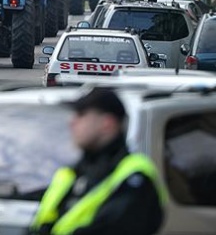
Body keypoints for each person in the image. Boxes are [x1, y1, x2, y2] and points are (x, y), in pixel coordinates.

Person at [29, 86, 165, 235]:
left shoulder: (134, 176)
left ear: (107, 124)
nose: (72, 122)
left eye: (81, 115)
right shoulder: (72, 173)